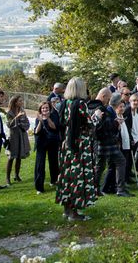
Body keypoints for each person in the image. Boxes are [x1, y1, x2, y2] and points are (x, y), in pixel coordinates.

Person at [56, 77, 99, 221]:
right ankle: (74, 213)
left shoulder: (65, 103)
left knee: (67, 176)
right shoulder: (81, 104)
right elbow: (89, 123)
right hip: (79, 145)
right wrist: (97, 116)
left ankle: (67, 210)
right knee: (78, 175)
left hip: (67, 144)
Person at [93, 89, 132, 197]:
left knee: (100, 166)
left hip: (104, 141)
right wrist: (116, 123)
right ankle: (120, 189)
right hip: (106, 141)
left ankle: (95, 189)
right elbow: (104, 126)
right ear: (104, 96)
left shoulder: (103, 108)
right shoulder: (103, 108)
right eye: (108, 98)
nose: (109, 100)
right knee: (119, 161)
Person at [33, 101, 59, 194]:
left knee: (54, 162)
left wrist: (47, 118)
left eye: (46, 108)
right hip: (41, 143)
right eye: (43, 108)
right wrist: (40, 121)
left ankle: (54, 180)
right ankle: (39, 187)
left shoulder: (54, 116)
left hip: (52, 142)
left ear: (49, 108)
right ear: (40, 109)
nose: (45, 109)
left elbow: (54, 127)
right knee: (40, 165)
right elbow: (36, 131)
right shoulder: (38, 118)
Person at [5, 95, 31, 185]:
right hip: (13, 137)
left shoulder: (22, 111)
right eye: (20, 101)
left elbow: (27, 122)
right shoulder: (9, 113)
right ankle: (7, 178)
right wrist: (17, 117)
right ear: (15, 102)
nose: (21, 102)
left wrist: (24, 127)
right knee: (11, 157)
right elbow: (9, 125)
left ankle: (17, 175)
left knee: (20, 156)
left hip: (22, 135)